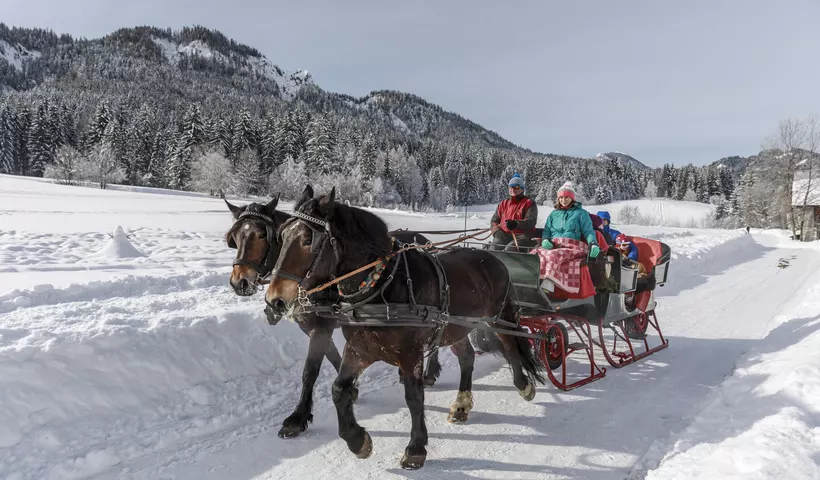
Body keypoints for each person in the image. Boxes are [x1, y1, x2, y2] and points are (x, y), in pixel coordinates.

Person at [531, 182, 600, 294]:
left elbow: (588, 231)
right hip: (554, 245)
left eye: (566, 197)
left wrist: (593, 243)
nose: (563, 200)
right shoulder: (553, 214)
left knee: (553, 256)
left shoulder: (581, 213)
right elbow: (547, 231)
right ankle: (529, 283)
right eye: (561, 197)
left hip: (572, 246)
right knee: (534, 254)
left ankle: (547, 287)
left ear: (572, 198)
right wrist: (544, 240)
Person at [490, 173, 538, 251]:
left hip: (522, 236)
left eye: (516, 187)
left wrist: (516, 224)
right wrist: (496, 231)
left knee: (509, 249)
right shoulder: (503, 204)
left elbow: (531, 221)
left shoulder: (529, 203)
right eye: (511, 187)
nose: (513, 189)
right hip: (504, 234)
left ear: (522, 189)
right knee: (494, 248)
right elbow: (494, 221)